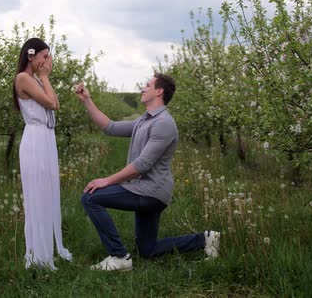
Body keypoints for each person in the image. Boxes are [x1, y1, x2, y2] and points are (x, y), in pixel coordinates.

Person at [74, 73, 220, 271]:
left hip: (151, 192)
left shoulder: (164, 123)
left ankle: (119, 256)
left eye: (147, 85)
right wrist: (87, 101)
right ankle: (205, 239)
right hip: (143, 189)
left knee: (90, 197)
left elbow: (142, 165)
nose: (143, 88)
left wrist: (107, 181)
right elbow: (111, 127)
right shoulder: (144, 120)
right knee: (147, 250)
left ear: (159, 91)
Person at [12, 38, 72, 270]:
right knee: (37, 195)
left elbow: (54, 102)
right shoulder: (23, 78)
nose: (48, 61)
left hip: (46, 138)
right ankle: (38, 254)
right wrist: (46, 77)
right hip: (35, 140)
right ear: (30, 56)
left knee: (47, 193)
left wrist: (45, 78)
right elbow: (52, 104)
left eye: (49, 56)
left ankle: (48, 248)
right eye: (44, 56)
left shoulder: (36, 79)